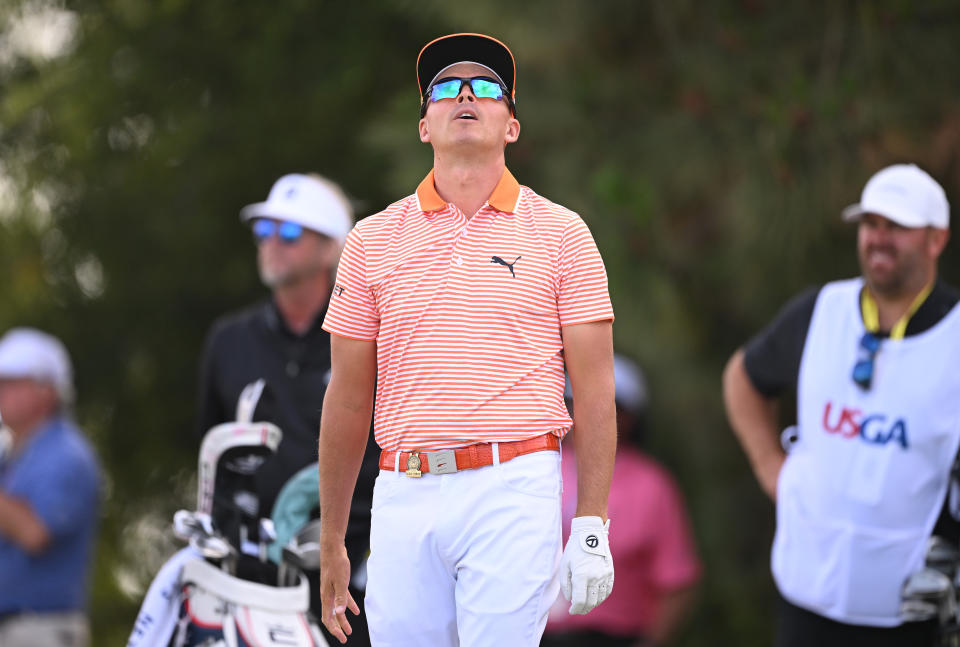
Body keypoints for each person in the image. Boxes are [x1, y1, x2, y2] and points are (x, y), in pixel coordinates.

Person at [317, 33, 617, 647]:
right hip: (404, 488)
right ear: (424, 124)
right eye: (445, 88)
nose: (465, 97)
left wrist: (592, 524)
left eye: (485, 87)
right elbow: (347, 401)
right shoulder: (371, 241)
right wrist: (332, 542)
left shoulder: (563, 233)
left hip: (514, 484)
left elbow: (594, 394)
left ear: (511, 124)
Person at [722, 163, 959, 647]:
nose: (879, 238)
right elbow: (742, 378)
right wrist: (773, 469)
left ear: (936, 240)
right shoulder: (820, 310)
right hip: (805, 594)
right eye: (871, 224)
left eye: (898, 227)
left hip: (907, 612)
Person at [196, 173, 379, 645]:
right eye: (265, 231)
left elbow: (385, 462)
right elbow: (211, 458)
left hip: (350, 584)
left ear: (330, 249)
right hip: (246, 581)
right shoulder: (228, 341)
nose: (272, 244)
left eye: (291, 233)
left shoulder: (369, 341)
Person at [543, 354, 701, 647]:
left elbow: (677, 582)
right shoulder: (539, 467)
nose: (585, 412)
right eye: (576, 401)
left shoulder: (652, 484)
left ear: (629, 417)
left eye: (603, 404)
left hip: (611, 637)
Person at [0, 327, 101, 647]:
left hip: (39, 631)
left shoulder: (68, 454)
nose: (3, 390)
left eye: (14, 381)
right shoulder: (14, 454)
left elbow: (34, 532)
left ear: (48, 390)